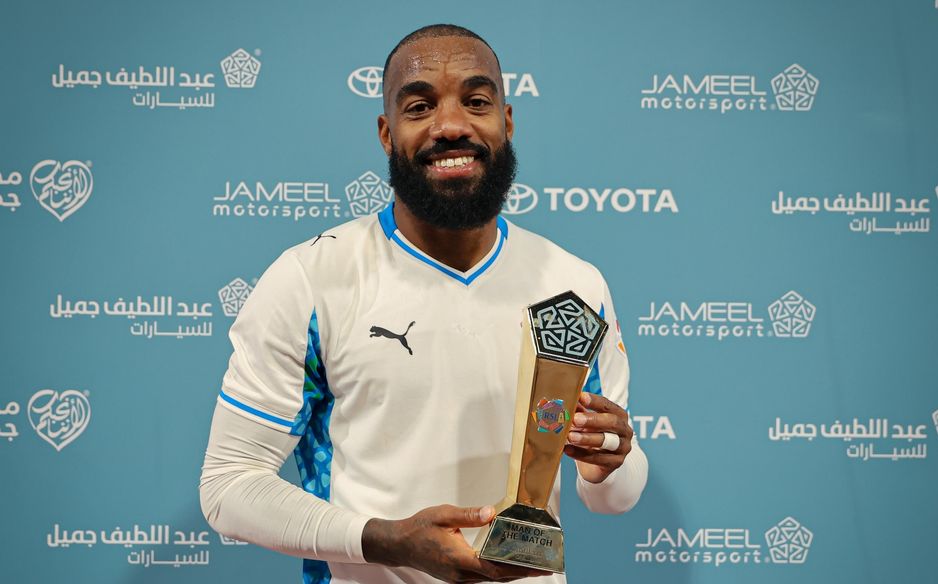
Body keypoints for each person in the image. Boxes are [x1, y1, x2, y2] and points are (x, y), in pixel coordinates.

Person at [200, 24, 648, 584]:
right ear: (387, 134)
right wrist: (387, 541)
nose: (452, 126)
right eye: (419, 107)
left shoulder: (574, 285)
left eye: (477, 101)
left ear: (507, 122)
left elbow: (613, 500)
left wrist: (611, 461)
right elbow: (228, 486)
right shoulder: (311, 279)